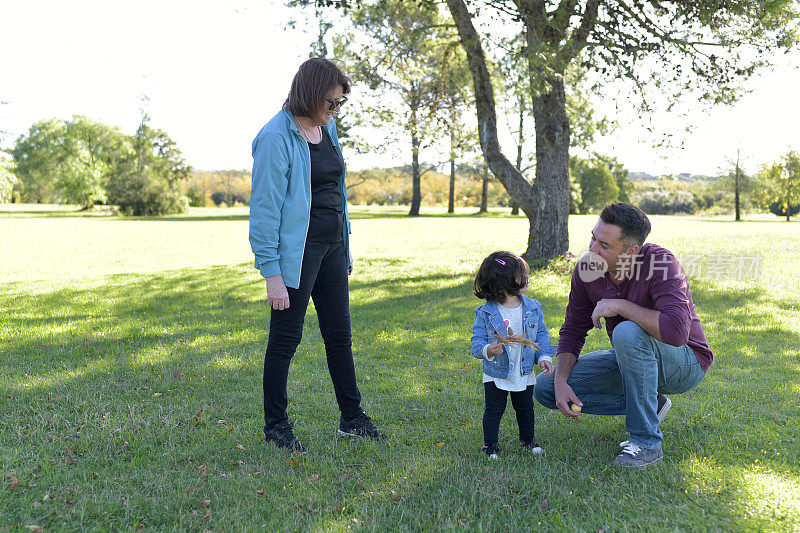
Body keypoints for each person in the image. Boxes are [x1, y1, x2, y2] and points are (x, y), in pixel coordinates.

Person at [249, 57, 383, 452]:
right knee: (285, 339)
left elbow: (335, 192)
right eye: (331, 102)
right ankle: (276, 428)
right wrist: (272, 273)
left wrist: (346, 243)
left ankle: (352, 418)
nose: (336, 110)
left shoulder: (328, 127)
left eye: (341, 103)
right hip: (297, 253)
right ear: (310, 94)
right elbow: (265, 211)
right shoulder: (275, 137)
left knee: (339, 336)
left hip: (332, 248)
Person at [534, 203, 713, 467]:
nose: (593, 249)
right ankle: (652, 403)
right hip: (632, 357)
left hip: (685, 362)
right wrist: (561, 380)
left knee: (626, 330)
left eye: (604, 245)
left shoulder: (661, 263)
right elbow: (573, 329)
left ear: (631, 251)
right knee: (546, 388)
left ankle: (646, 443)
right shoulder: (587, 269)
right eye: (593, 237)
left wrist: (620, 306)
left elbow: (677, 333)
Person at [470, 251, 556, 459]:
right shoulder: (486, 312)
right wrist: (487, 350)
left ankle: (528, 440)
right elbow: (476, 341)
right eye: (520, 275)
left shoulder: (533, 308)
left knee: (525, 408)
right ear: (502, 282)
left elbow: (541, 335)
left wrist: (544, 357)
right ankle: (490, 446)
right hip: (497, 372)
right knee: (494, 410)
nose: (525, 278)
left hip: (524, 369)